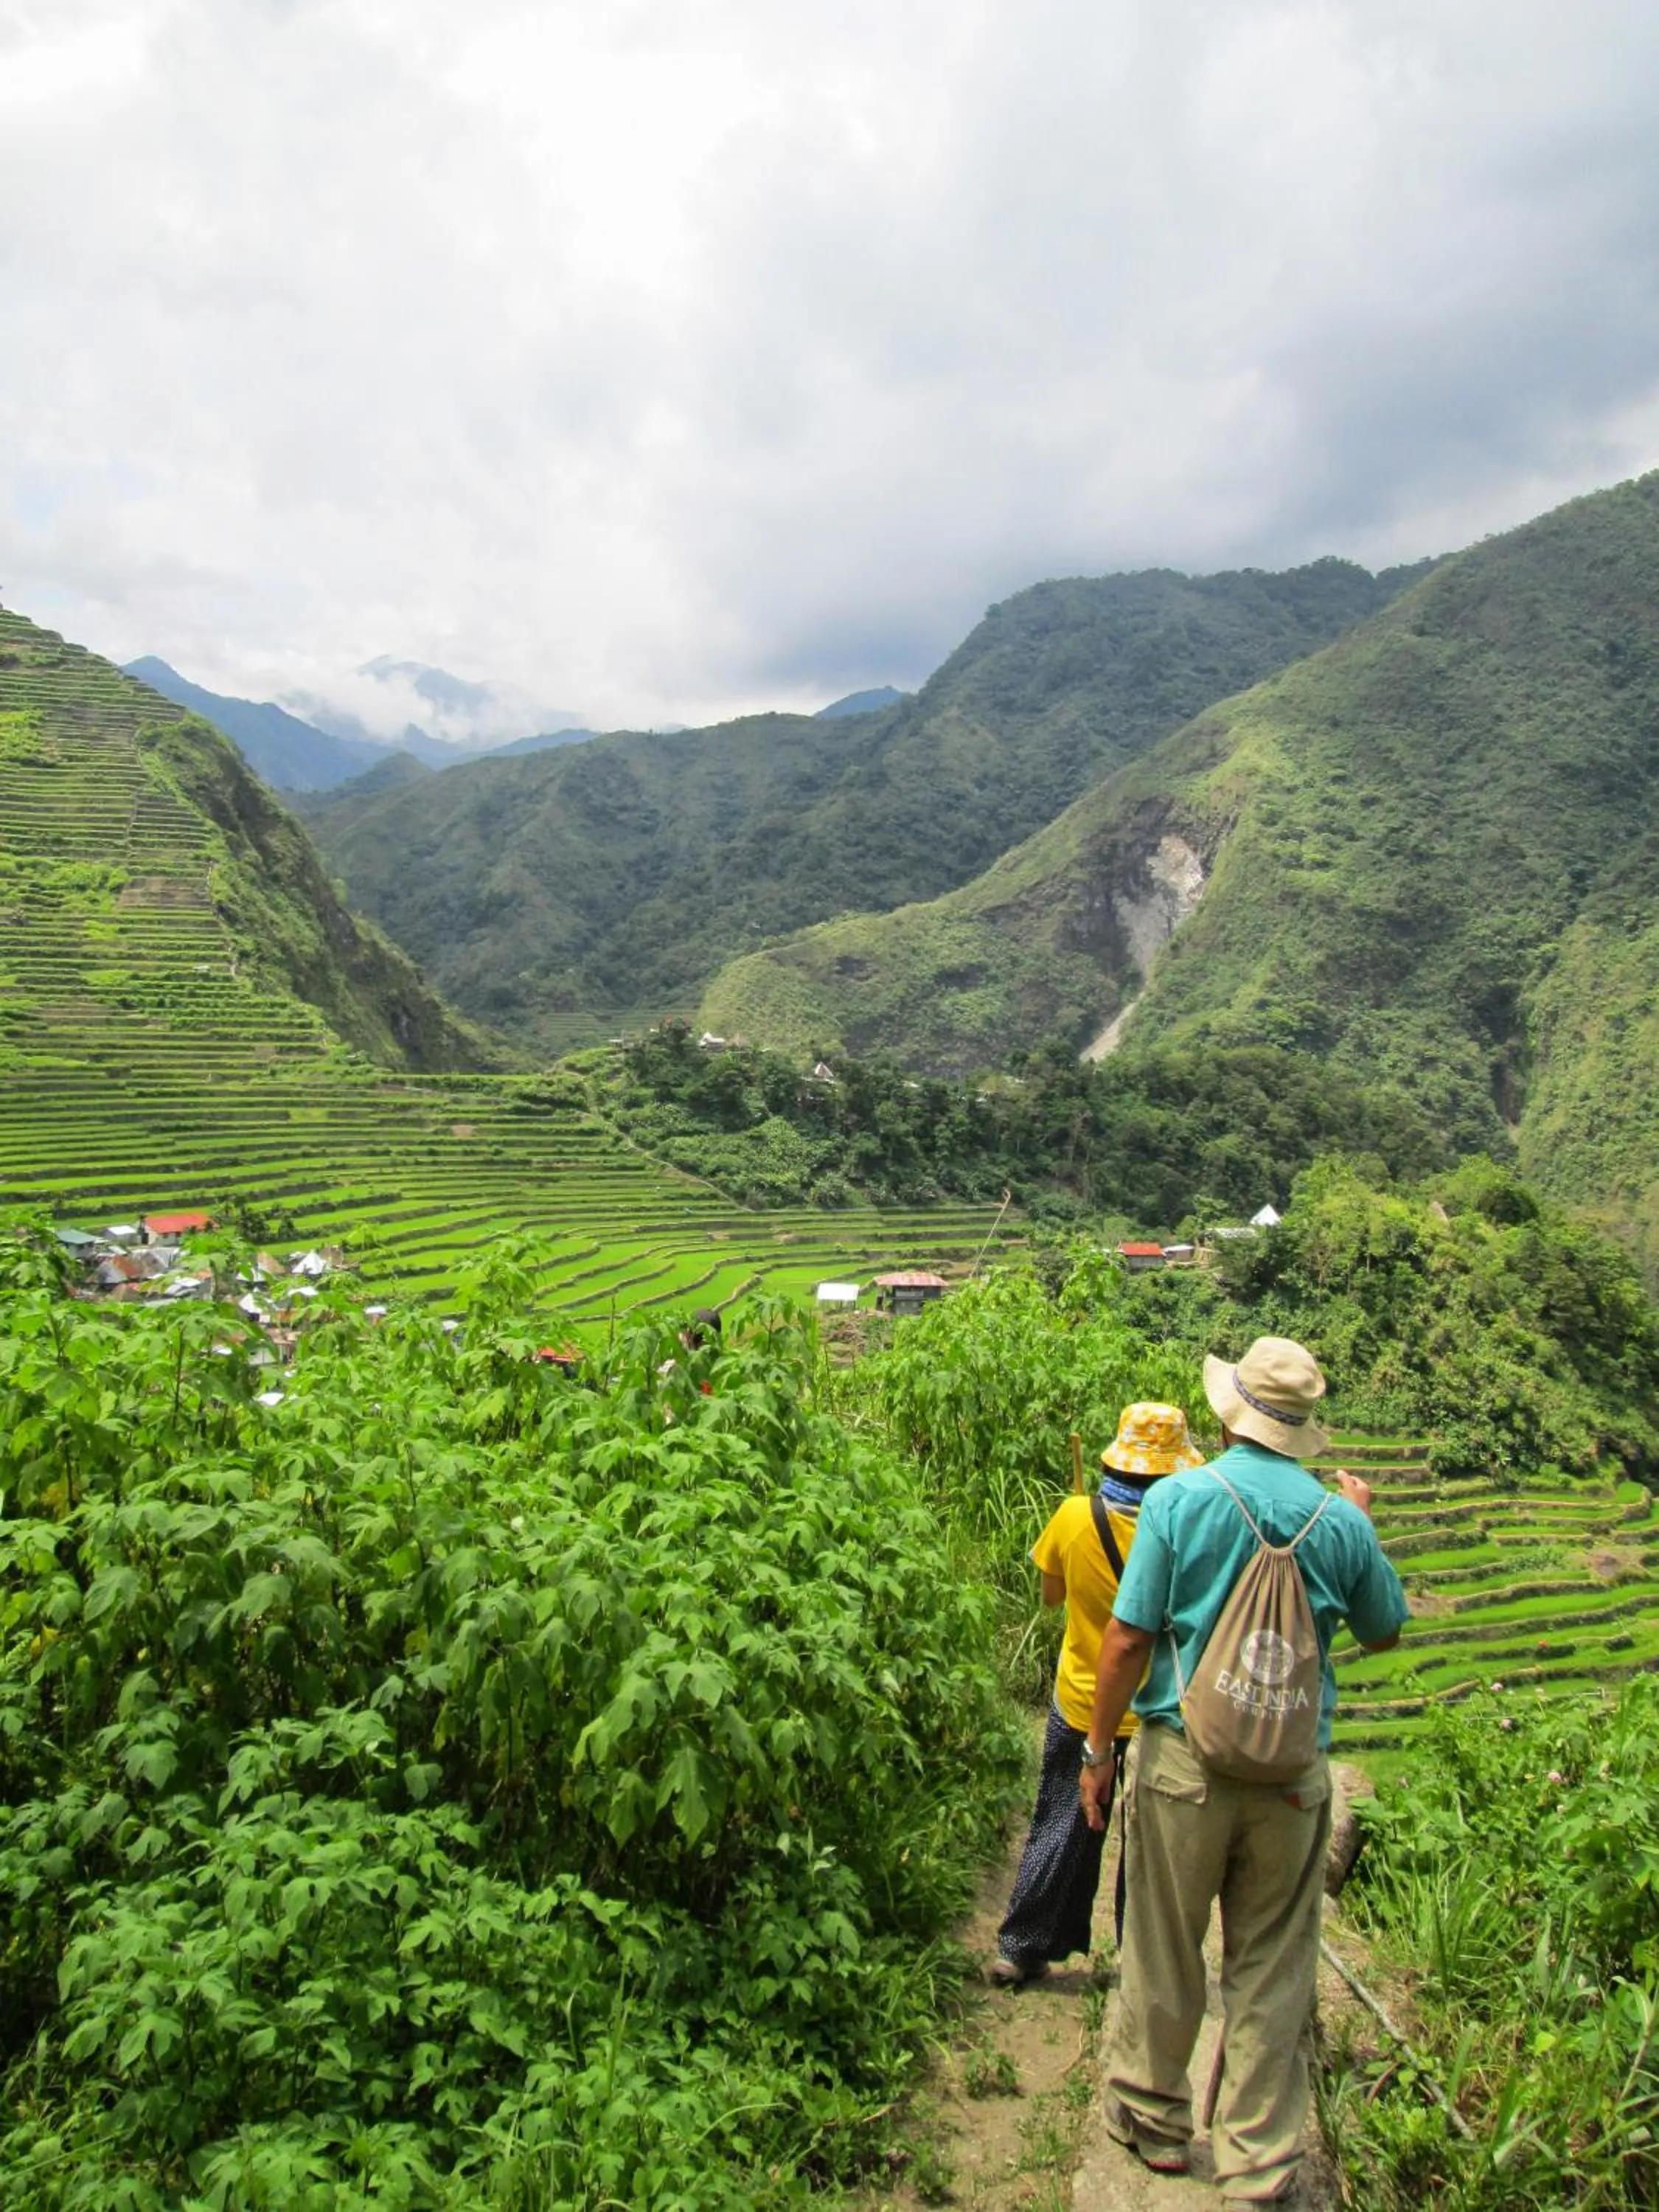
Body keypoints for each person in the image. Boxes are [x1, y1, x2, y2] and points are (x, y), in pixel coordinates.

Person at [1079, 1336, 1408, 2208]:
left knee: (1162, 1942)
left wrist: (1098, 1751)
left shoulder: (1182, 1498)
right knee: (1271, 1967)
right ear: (1302, 1428)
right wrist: (1362, 1524)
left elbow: (1129, 1637)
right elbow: (1384, 1629)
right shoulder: (1338, 1521)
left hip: (1185, 1763)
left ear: (1233, 1415)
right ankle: (1258, 2160)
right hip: (1292, 1779)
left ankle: (1152, 2122)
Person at [989, 1402, 1205, 1987]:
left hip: (1082, 1701)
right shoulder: (1188, 1531)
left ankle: (1023, 1945)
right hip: (1163, 1713)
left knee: (1061, 1823)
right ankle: (1143, 1966)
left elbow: (1051, 1597)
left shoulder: (1074, 1515)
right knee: (1152, 1844)